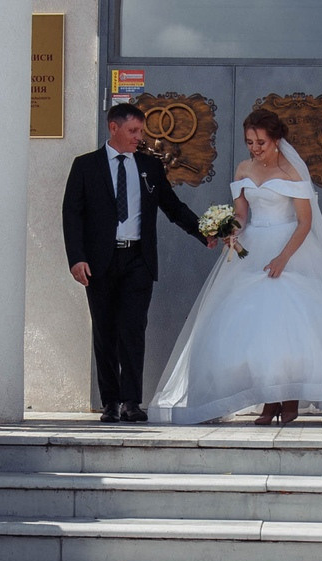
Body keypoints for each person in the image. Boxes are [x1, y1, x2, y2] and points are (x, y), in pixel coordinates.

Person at [150, 107, 322, 426]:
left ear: (276, 140)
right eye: (250, 142)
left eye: (261, 142)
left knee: (289, 322)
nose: (255, 148)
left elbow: (304, 222)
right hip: (253, 247)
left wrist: (284, 257)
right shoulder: (243, 169)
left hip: (290, 247)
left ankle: (289, 400)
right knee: (253, 325)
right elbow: (243, 212)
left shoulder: (292, 173)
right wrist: (232, 228)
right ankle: (268, 401)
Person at [62, 100, 212, 422]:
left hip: (137, 260)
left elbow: (172, 207)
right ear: (113, 128)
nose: (138, 137)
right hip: (100, 262)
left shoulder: (149, 167)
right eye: (132, 130)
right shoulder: (85, 166)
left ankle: (131, 401)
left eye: (140, 131)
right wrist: (77, 258)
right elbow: (72, 216)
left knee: (133, 329)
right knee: (105, 331)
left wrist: (205, 232)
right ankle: (110, 402)